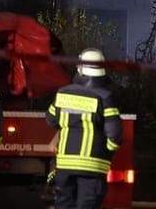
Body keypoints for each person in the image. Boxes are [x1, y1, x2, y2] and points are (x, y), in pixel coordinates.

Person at [47, 49, 121, 209]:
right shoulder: (105, 97)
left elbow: (51, 120)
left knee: (63, 205)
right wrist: (107, 153)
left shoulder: (62, 93)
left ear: (80, 69)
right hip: (93, 168)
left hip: (65, 166)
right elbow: (114, 135)